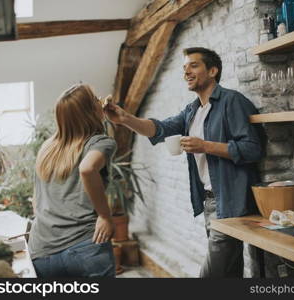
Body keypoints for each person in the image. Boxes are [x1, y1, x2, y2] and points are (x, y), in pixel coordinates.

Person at [104, 47, 264, 278]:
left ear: (212, 71)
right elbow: (159, 129)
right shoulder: (192, 111)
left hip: (230, 201)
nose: (186, 71)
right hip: (210, 202)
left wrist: (205, 146)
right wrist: (124, 119)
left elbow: (252, 148)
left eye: (194, 65)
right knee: (229, 272)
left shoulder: (232, 102)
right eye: (184, 67)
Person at [28, 84, 117, 277]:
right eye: (95, 99)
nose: (100, 100)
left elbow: (36, 201)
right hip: (84, 245)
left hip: (41, 251)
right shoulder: (99, 142)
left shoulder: (47, 148)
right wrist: (104, 216)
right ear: (89, 111)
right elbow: (87, 168)